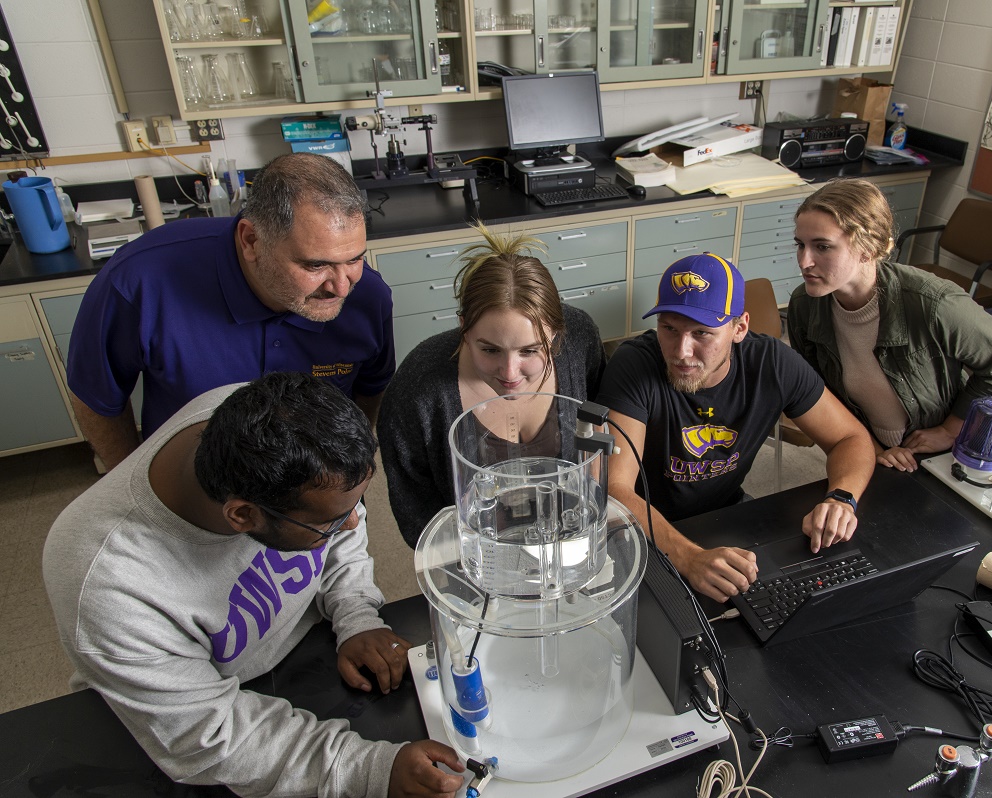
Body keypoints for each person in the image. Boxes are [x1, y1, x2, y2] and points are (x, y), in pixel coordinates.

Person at [43, 372, 464, 798]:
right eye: (331, 521)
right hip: (185, 717)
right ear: (242, 516)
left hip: (302, 663)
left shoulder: (261, 419)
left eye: (356, 504)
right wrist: (368, 769)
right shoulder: (109, 585)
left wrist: (354, 612)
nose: (353, 522)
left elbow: (341, 514)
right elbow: (206, 737)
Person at [67, 152, 395, 470]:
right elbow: (96, 397)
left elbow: (370, 390)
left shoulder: (367, 296)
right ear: (251, 240)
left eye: (354, 259)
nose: (341, 287)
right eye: (315, 264)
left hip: (318, 491)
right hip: (192, 484)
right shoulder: (138, 282)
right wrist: (132, 485)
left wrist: (346, 476)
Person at [595, 253, 875, 603]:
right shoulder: (634, 365)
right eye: (669, 328)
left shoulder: (772, 363)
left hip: (727, 514)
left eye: (702, 333)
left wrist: (841, 498)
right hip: (640, 529)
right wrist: (687, 557)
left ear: (739, 328)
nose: (682, 351)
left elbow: (850, 437)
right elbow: (611, 487)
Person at [378, 224, 605, 547]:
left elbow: (597, 414)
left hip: (569, 544)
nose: (510, 373)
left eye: (529, 351)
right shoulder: (418, 390)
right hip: (476, 557)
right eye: (489, 350)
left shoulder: (579, 339)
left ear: (555, 335)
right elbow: (417, 513)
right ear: (464, 330)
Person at [787, 178, 992, 473]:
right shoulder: (804, 306)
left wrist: (951, 429)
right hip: (870, 448)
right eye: (800, 245)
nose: (804, 261)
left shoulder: (933, 302)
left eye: (822, 247)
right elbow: (816, 392)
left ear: (867, 250)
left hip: (938, 453)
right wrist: (869, 447)